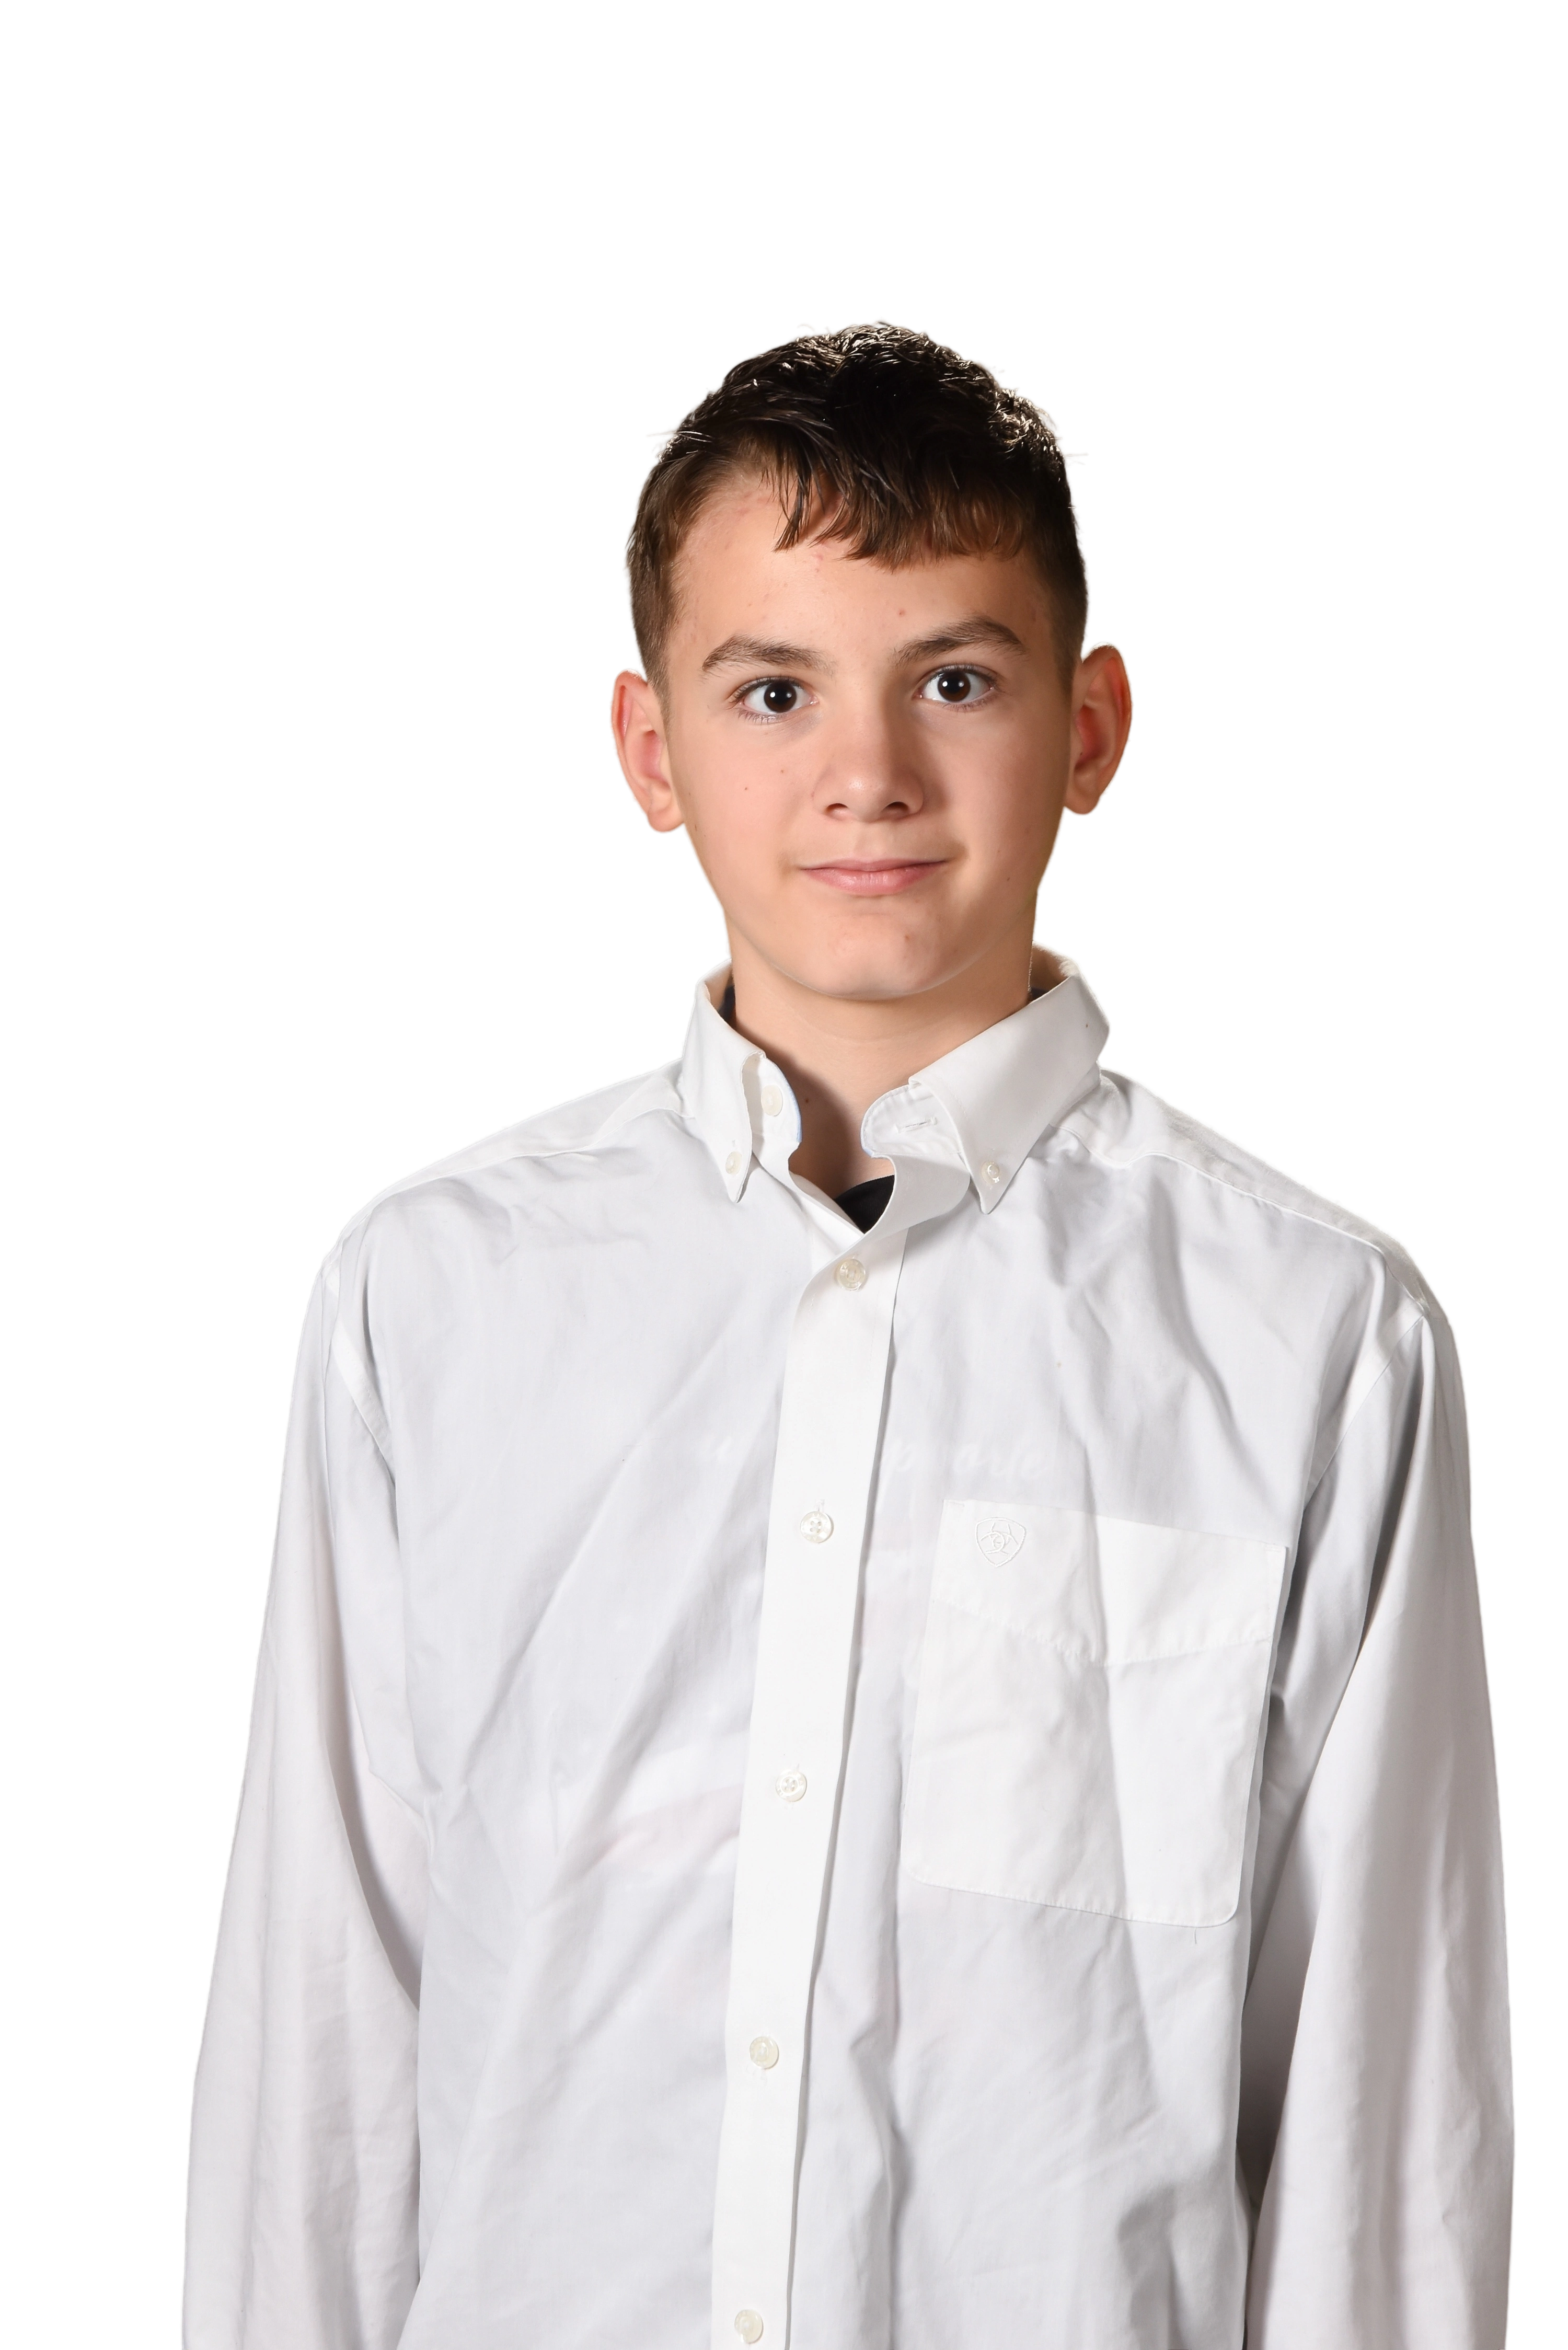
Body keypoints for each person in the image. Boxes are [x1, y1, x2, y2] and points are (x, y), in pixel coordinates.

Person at [181, 318, 1514, 2348]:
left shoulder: (1315, 1338)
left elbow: (1377, 2104)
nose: (866, 773)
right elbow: (328, 2030)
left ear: (1093, 729)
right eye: (774, 688)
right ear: (652, 748)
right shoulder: (431, 1294)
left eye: (955, 680)